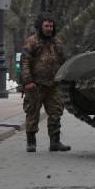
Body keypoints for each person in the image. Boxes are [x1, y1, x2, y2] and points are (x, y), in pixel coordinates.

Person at [20, 14, 71, 153]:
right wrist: (28, 81)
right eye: (46, 26)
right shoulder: (32, 42)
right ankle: (31, 142)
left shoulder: (57, 43)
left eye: (51, 26)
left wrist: (66, 78)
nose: (49, 29)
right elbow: (25, 62)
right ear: (40, 27)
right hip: (35, 85)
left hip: (53, 85)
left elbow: (64, 62)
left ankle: (55, 142)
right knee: (32, 113)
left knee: (56, 112)